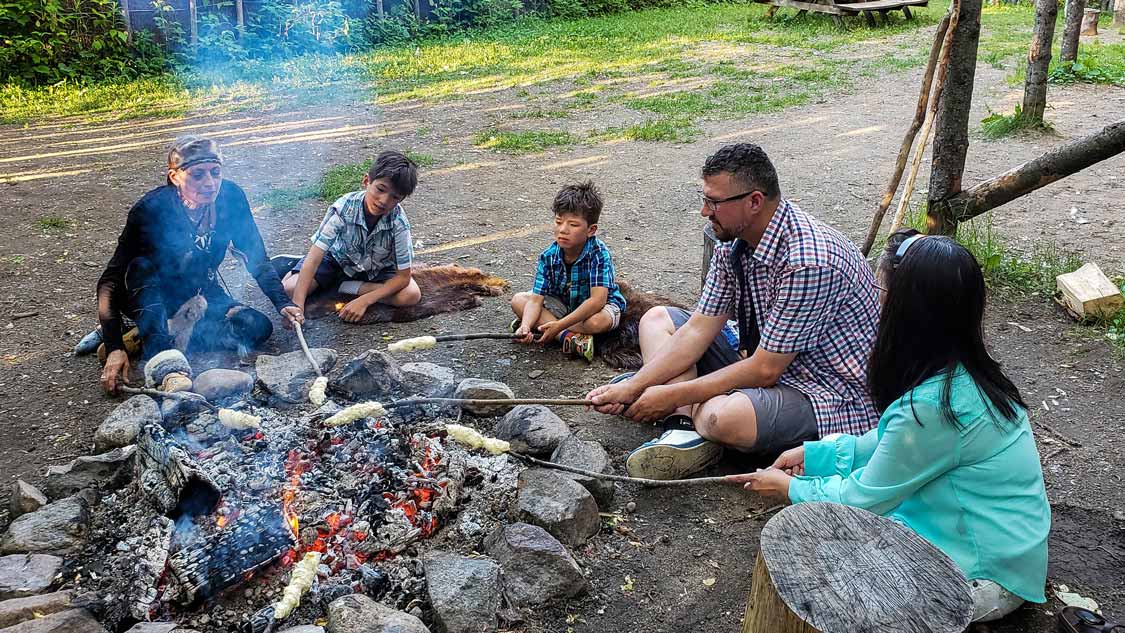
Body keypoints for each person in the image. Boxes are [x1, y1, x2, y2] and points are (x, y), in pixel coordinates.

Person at [738, 230, 1050, 623]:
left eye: (880, 290)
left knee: (828, 571)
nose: (875, 300)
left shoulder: (937, 406)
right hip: (1001, 546)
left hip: (983, 575)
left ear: (907, 309)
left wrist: (793, 488)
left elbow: (864, 499)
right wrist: (817, 456)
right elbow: (889, 444)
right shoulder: (961, 372)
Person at [587, 143, 880, 479]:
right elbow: (698, 329)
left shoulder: (808, 262)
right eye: (704, 198)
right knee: (657, 319)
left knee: (722, 418)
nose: (704, 211)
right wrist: (637, 385)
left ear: (754, 202)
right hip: (765, 368)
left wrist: (667, 392)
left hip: (825, 393)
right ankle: (683, 428)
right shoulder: (733, 242)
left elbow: (765, 371)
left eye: (714, 202)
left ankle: (696, 421)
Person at [96, 136, 303, 394]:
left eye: (215, 173)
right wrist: (114, 346)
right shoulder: (151, 209)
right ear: (174, 177)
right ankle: (164, 359)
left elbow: (256, 257)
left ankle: (155, 334)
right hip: (149, 293)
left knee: (256, 326)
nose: (209, 183)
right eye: (197, 175)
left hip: (199, 293)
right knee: (141, 267)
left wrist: (283, 303)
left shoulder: (230, 198)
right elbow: (111, 280)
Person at [279, 151, 421, 324]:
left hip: (376, 269)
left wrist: (365, 300)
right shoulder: (343, 209)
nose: (384, 200)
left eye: (395, 197)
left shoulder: (398, 223)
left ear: (402, 199)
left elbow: (403, 277)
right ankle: (299, 271)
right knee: (289, 289)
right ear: (366, 181)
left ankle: (344, 287)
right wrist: (298, 306)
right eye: (380, 189)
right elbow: (314, 259)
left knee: (411, 295)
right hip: (336, 261)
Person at [510, 181, 627, 362]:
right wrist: (525, 325)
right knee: (519, 300)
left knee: (597, 322)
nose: (563, 230)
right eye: (558, 222)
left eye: (573, 224)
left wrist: (559, 325)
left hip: (595, 310)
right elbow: (536, 300)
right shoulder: (548, 257)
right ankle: (568, 338)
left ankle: (550, 329)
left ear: (591, 230)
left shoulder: (599, 254)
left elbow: (597, 301)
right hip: (563, 306)